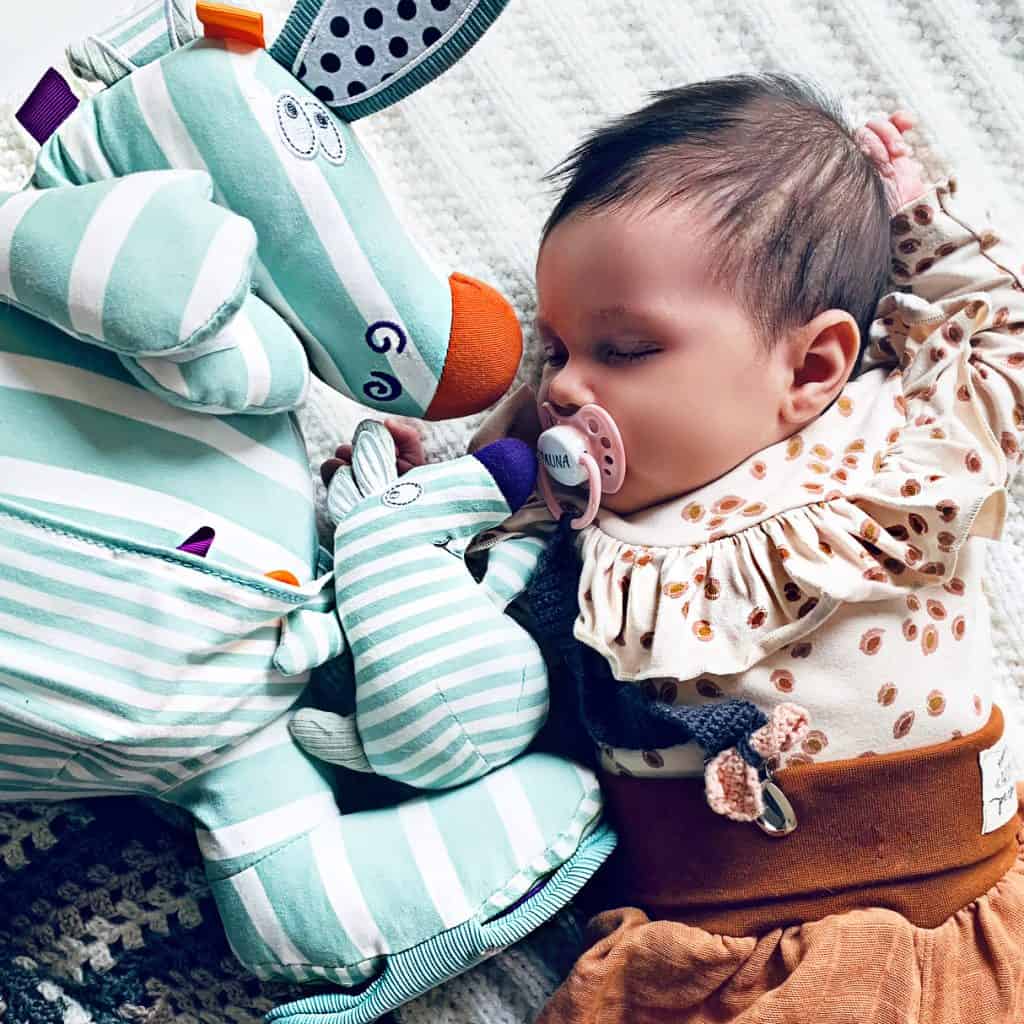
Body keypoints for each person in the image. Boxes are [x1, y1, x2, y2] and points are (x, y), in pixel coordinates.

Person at [322, 73, 1024, 1022]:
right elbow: (453, 625)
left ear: (813, 365)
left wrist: (921, 224)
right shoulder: (574, 532)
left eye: (623, 350)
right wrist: (410, 504)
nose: (564, 386)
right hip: (716, 956)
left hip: (963, 905)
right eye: (556, 349)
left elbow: (1000, 343)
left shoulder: (896, 441)